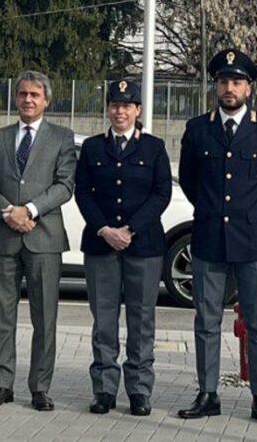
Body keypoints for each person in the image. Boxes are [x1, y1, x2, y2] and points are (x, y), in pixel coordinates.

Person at [175, 49, 257, 426]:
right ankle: (208, 393)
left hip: (254, 241)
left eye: (236, 81)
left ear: (249, 87)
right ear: (216, 85)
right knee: (206, 320)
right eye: (223, 81)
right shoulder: (197, 129)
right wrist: (214, 212)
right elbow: (191, 182)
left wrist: (251, 215)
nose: (229, 88)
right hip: (209, 238)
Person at [0, 70, 77, 412]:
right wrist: (9, 212)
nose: (28, 100)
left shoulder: (62, 138)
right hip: (5, 238)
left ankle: (40, 387)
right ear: (15, 98)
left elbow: (65, 185)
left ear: (47, 100)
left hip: (44, 238)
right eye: (23, 94)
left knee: (44, 318)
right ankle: (2, 384)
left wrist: (30, 210)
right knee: (1, 317)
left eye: (35, 94)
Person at [74, 80, 172, 416]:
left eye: (127, 105)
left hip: (142, 244)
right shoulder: (92, 147)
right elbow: (83, 192)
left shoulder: (154, 148)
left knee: (141, 320)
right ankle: (103, 389)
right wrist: (105, 229)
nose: (120, 111)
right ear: (108, 109)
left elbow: (161, 194)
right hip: (101, 244)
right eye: (115, 104)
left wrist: (129, 229)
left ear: (138, 110)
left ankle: (139, 390)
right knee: (104, 319)